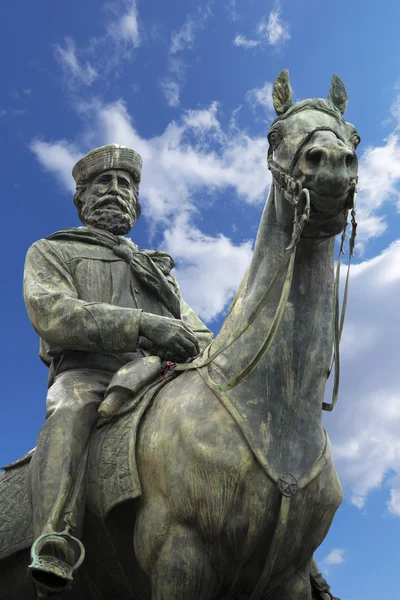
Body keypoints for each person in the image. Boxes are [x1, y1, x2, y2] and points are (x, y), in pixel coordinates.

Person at [24, 144, 213, 595]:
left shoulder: (158, 272)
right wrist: (144, 325)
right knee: (69, 411)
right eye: (103, 183)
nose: (115, 190)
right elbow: (53, 313)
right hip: (89, 373)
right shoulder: (53, 251)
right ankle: (55, 537)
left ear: (136, 200)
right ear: (81, 198)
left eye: (125, 183)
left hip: (161, 375)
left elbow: (198, 333)